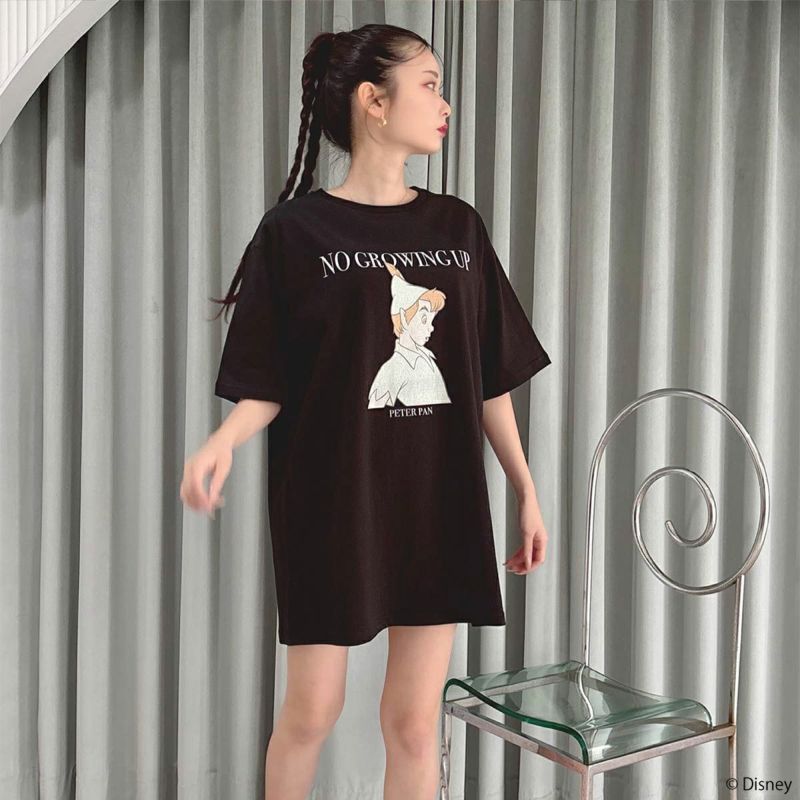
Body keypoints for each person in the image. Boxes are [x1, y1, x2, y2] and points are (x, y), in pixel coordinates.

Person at [179, 22, 552, 800]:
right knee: (311, 711)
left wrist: (524, 487)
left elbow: (487, 373)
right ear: (373, 101)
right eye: (429, 85)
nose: (444, 104)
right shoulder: (295, 232)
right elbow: (269, 377)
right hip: (333, 499)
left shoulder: (457, 227)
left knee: (414, 725)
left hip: (437, 497)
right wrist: (224, 441)